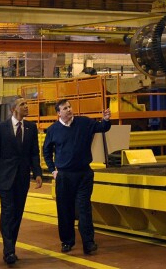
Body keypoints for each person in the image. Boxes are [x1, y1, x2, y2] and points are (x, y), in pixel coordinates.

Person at [42, 99, 111, 255]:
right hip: (64, 176)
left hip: (83, 174)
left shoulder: (84, 123)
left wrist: (106, 119)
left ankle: (88, 242)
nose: (69, 109)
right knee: (65, 210)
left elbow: (102, 127)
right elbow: (46, 151)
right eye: (65, 108)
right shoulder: (53, 130)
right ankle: (67, 241)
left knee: (84, 208)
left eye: (70, 107)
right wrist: (53, 170)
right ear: (58, 113)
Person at [0, 97, 43, 265]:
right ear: (13, 109)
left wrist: (38, 173)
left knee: (17, 214)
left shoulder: (31, 128)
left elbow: (34, 153)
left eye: (26, 104)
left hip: (22, 178)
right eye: (22, 105)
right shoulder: (0, 128)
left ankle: (11, 246)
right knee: (8, 213)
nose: (26, 107)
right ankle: (9, 250)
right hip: (5, 179)